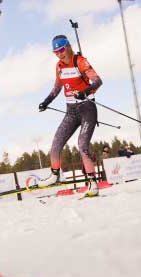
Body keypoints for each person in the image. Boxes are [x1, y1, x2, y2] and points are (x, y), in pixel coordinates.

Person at [38, 35, 102, 197]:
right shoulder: (58, 66)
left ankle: (92, 183)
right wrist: (46, 101)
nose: (59, 54)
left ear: (67, 47)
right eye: (55, 52)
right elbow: (57, 87)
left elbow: (97, 81)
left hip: (87, 108)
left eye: (60, 50)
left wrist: (85, 91)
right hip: (71, 111)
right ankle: (54, 175)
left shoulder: (79, 61)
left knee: (82, 144)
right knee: (56, 143)